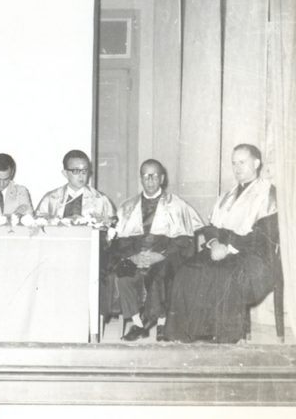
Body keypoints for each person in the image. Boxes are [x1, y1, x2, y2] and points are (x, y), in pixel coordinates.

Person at [166, 144, 279, 343]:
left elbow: (264, 235)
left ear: (256, 163)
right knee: (187, 271)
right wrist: (215, 242)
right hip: (221, 248)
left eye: (242, 162)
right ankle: (187, 335)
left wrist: (228, 247)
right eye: (234, 163)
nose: (237, 168)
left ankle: (224, 338)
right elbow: (212, 227)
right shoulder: (227, 196)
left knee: (224, 275)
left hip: (255, 256)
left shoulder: (268, 194)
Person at [101, 159, 204, 341]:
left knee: (160, 275)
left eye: (154, 176)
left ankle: (162, 324)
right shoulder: (128, 206)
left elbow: (184, 241)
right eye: (146, 176)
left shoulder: (177, 205)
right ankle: (138, 323)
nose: (150, 180)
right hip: (136, 254)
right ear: (140, 178)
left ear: (162, 178)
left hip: (165, 256)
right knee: (123, 275)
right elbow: (121, 241)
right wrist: (133, 257)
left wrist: (160, 255)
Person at [35, 149, 114, 221]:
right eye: (76, 171)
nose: (81, 175)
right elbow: (37, 224)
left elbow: (111, 226)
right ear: (65, 173)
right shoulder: (51, 199)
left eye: (84, 171)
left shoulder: (100, 199)